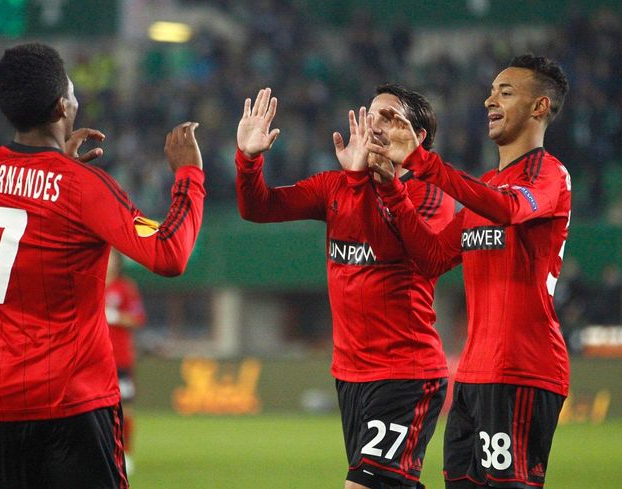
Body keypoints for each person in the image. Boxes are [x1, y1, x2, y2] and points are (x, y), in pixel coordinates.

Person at [0, 43, 205, 489]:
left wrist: (47, 172)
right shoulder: (81, 187)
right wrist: (189, 177)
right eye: (70, 86)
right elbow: (169, 254)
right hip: (76, 404)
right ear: (61, 106)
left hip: (0, 405)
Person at [367, 54, 571, 489]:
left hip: (522, 370)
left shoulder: (549, 175)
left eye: (505, 91)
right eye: (491, 90)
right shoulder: (487, 186)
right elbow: (433, 257)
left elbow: (510, 210)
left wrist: (425, 163)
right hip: (474, 376)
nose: (488, 100)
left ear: (539, 107)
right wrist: (392, 190)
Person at [236, 86, 455, 489]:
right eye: (372, 113)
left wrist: (359, 180)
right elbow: (259, 208)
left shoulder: (430, 196)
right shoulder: (334, 186)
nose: (374, 122)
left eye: (389, 116)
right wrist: (250, 160)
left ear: (417, 137)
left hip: (405, 373)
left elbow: (387, 244)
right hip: (351, 375)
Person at [105, 248, 147, 474]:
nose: (109, 262)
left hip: (120, 359)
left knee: (125, 409)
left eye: (113, 258)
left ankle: (126, 454)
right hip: (93, 360)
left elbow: (138, 318)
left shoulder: (124, 288)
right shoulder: (88, 281)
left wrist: (114, 316)